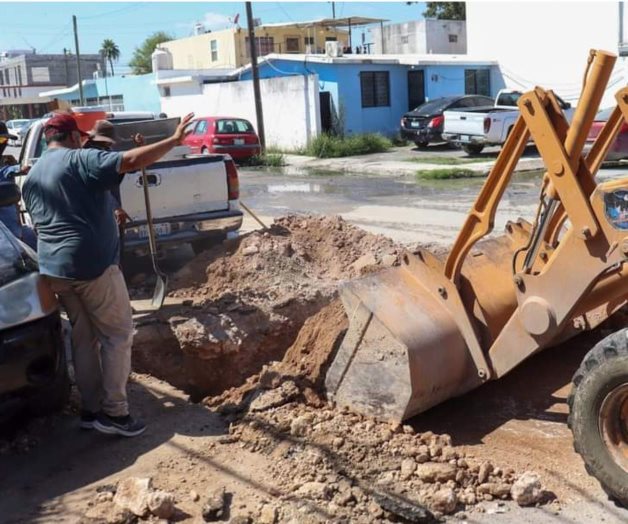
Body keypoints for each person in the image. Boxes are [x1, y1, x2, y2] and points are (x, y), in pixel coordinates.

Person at [23, 111, 194, 437]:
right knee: (117, 335)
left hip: (54, 270)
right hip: (92, 266)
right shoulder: (79, 159)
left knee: (85, 340)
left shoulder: (33, 174)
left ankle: (91, 411)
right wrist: (173, 141)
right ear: (73, 137)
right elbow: (128, 161)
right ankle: (116, 413)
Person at [0, 121, 37, 249]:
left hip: (14, 234)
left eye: (5, 139)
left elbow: (23, 169)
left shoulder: (6, 163)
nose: (3, 143)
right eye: (1, 139)